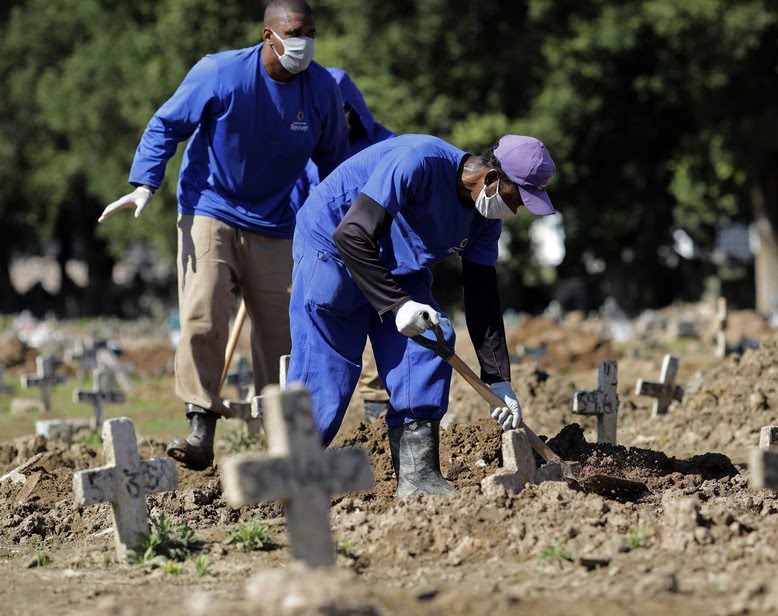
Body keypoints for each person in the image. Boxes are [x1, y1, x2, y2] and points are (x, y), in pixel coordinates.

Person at [98, 0, 348, 471]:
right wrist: (144, 183)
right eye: (295, 32)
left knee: (284, 332)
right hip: (210, 206)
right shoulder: (221, 73)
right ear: (268, 35)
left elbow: (335, 163)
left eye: (311, 32)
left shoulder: (321, 90)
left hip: (276, 221)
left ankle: (284, 436)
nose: (304, 43)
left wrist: (341, 221)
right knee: (203, 311)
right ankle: (200, 425)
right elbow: (165, 125)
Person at [288, 133, 557, 498]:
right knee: (328, 364)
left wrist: (498, 378)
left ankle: (418, 479)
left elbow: (482, 296)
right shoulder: (418, 161)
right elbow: (351, 234)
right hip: (332, 245)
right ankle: (291, 472)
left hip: (397, 262)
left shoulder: (484, 220)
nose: (518, 209)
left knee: (433, 338)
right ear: (493, 178)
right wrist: (398, 306)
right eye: (519, 198)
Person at [295, 67, 397, 423]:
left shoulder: (386, 145)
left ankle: (377, 417)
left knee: (381, 336)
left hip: (376, 254)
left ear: (350, 107)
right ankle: (299, 439)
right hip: (323, 254)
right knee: (315, 345)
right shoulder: (309, 148)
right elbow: (297, 197)